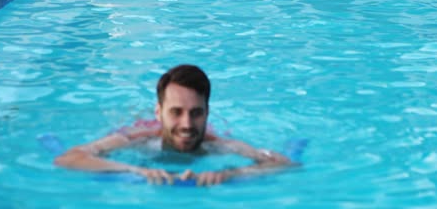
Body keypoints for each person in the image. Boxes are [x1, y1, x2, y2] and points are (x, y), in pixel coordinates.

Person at [55, 64, 293, 186]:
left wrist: (230, 174)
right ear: (159, 113)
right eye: (176, 112)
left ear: (208, 113)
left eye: (196, 113)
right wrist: (136, 170)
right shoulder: (138, 139)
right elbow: (69, 158)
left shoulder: (218, 144)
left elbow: (283, 164)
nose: (187, 124)